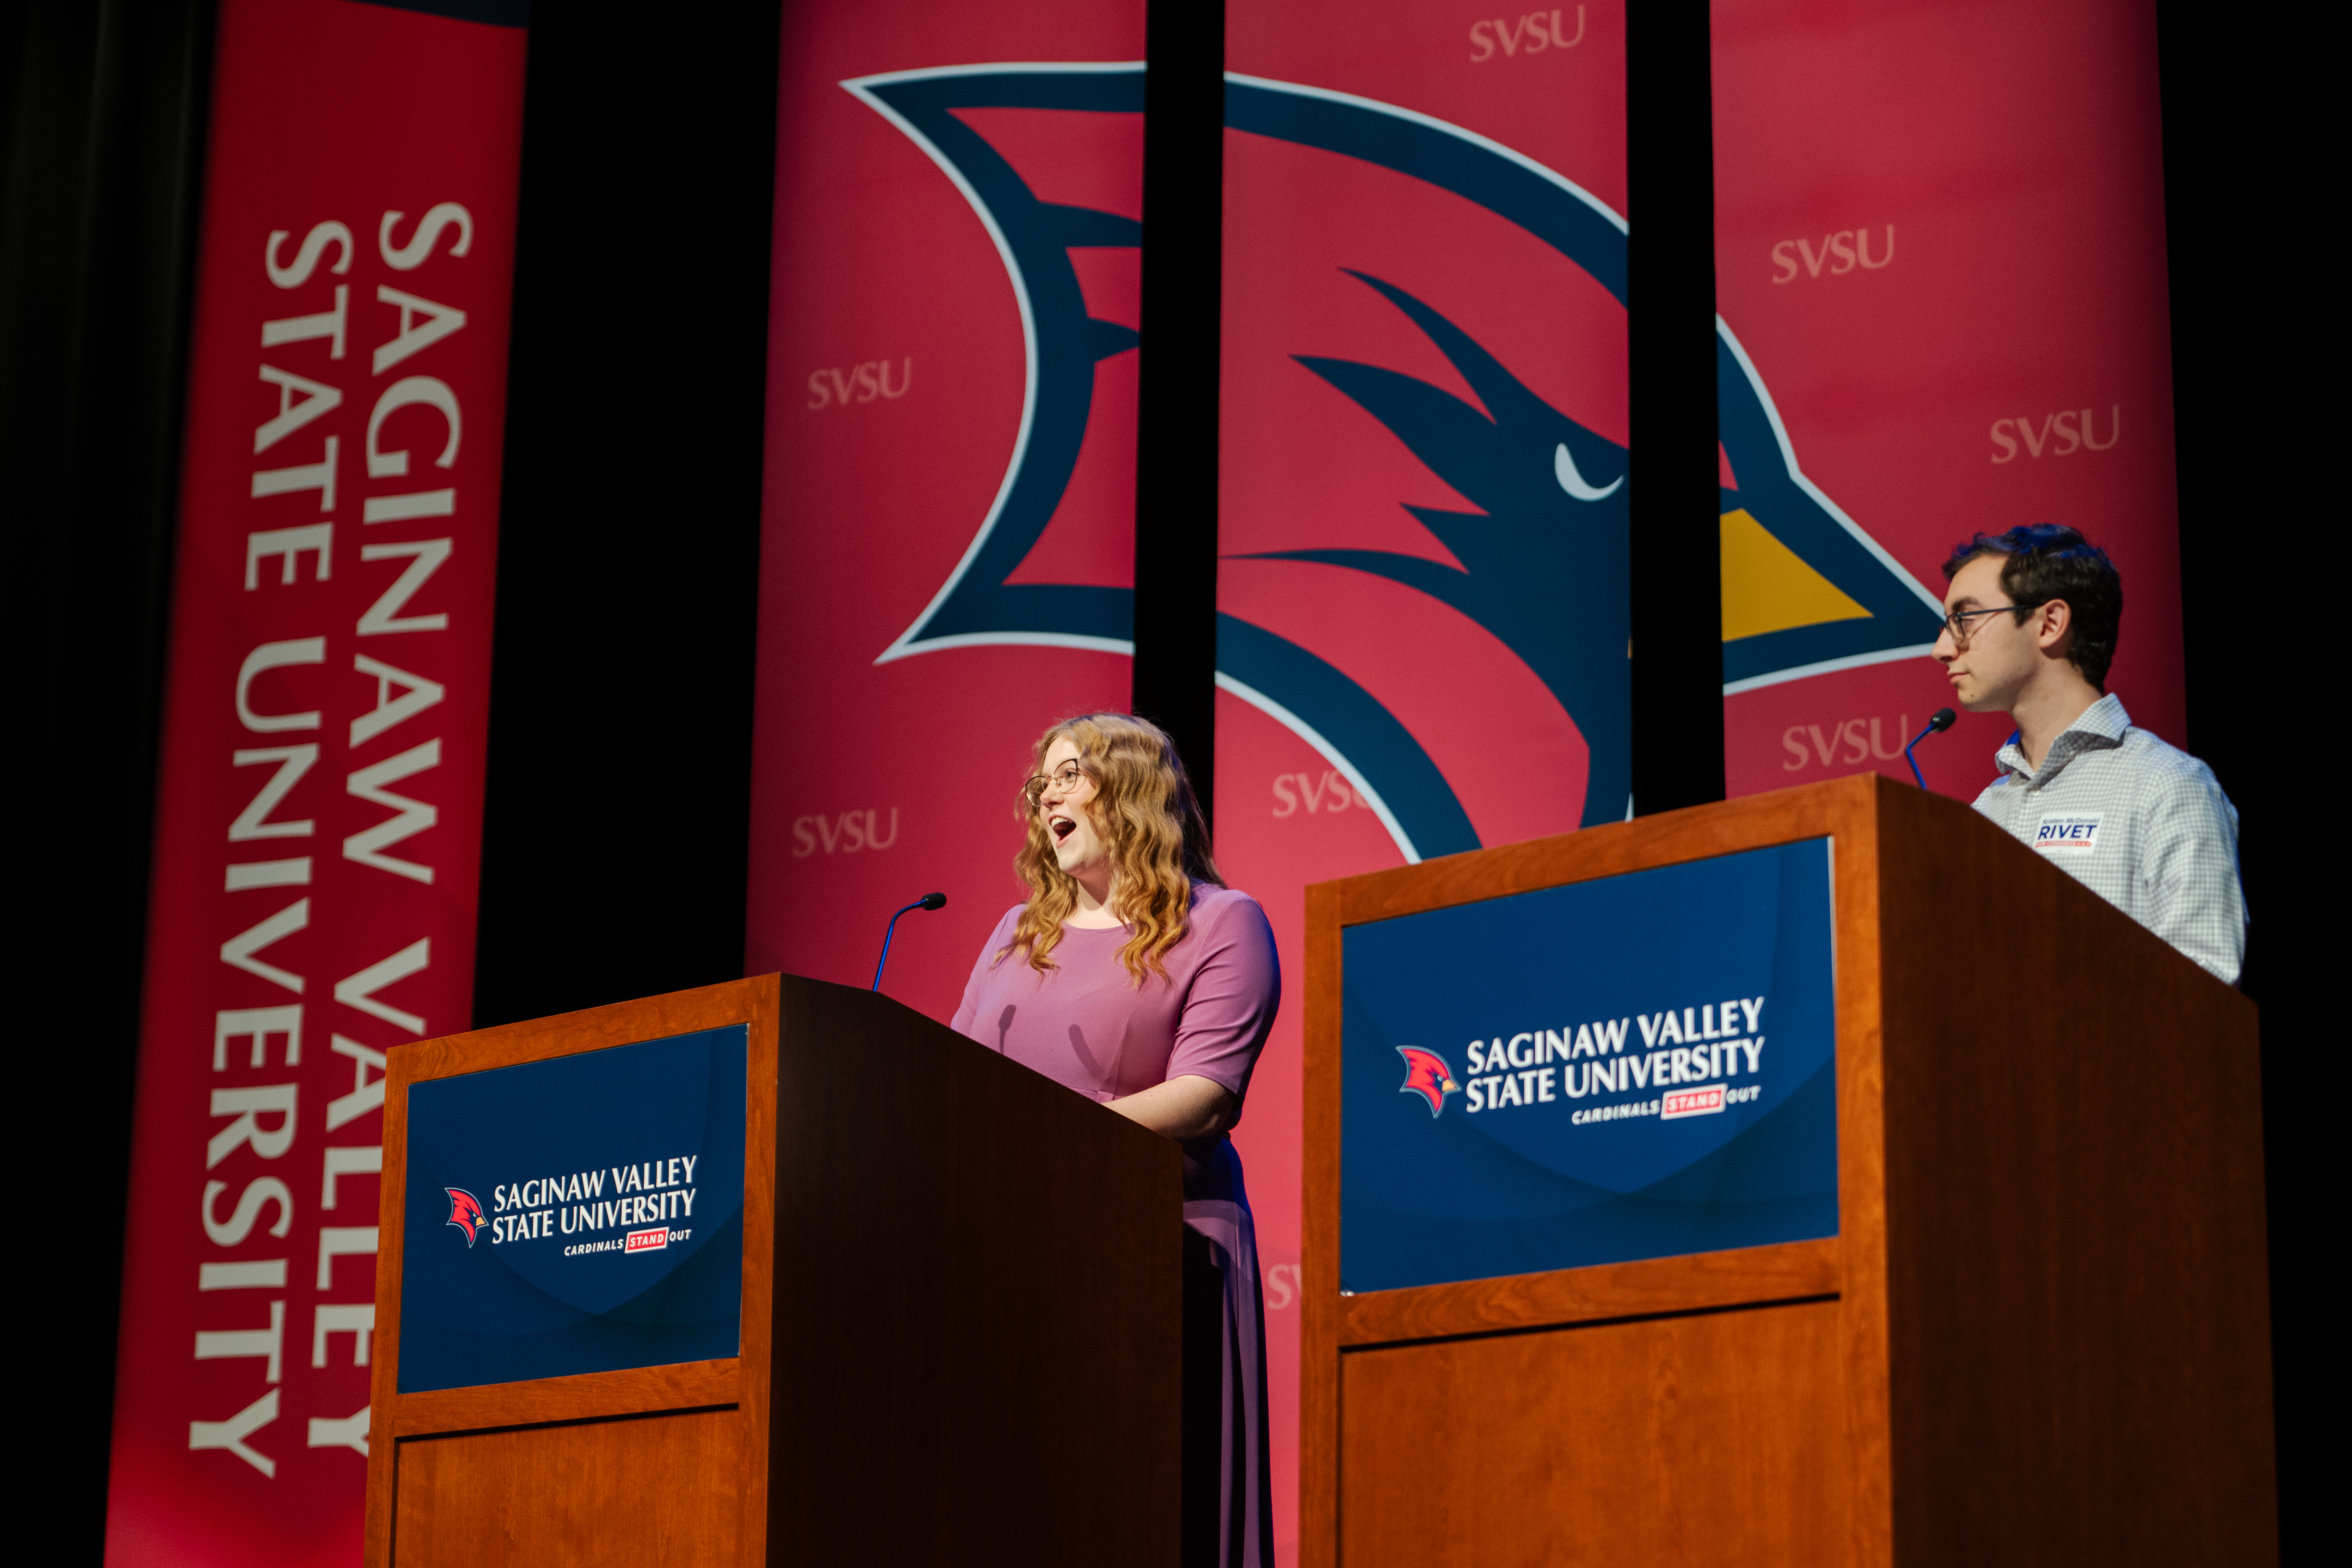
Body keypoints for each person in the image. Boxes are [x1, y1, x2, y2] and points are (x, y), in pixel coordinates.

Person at [950, 712, 1278, 1565]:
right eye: (1042, 781)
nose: (1044, 794)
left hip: (1162, 1250)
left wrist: (1047, 1138)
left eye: (1068, 774)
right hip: (1018, 1256)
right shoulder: (1013, 936)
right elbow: (949, 1088)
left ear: (1132, 790)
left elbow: (1205, 1095)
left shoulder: (1222, 922)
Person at [1935, 523, 2245, 982]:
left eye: (1964, 619)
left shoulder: (2166, 784)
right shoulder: (1984, 812)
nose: (1941, 648)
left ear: (2049, 623)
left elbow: (2204, 987)